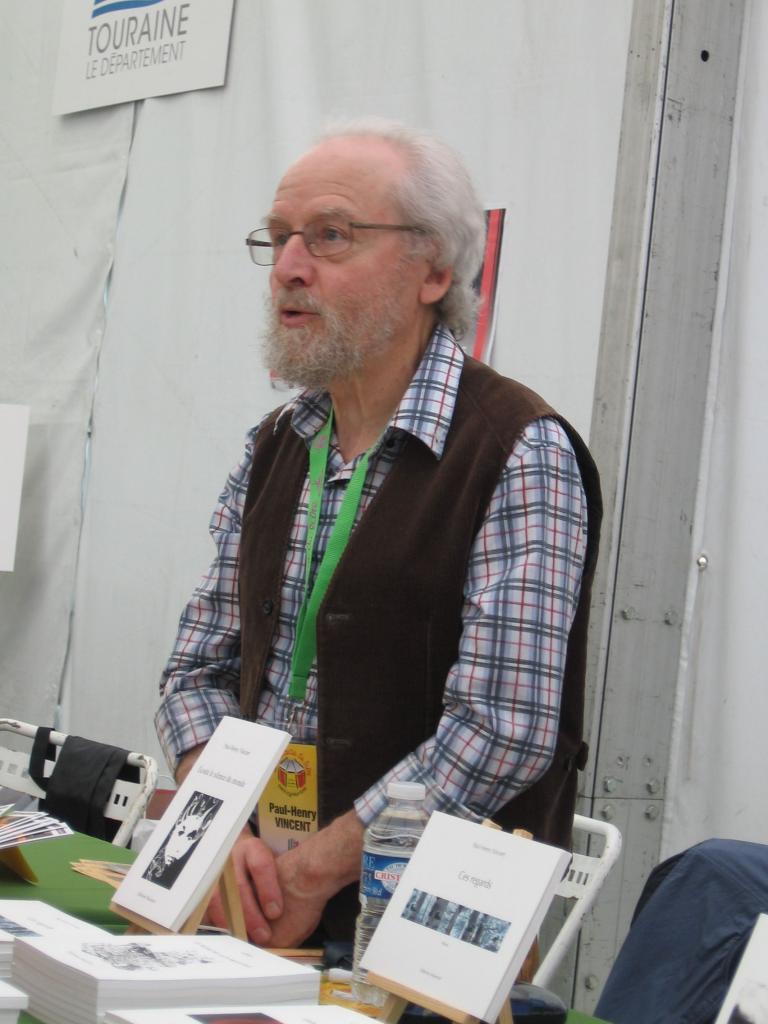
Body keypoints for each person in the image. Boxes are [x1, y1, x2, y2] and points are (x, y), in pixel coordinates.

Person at [155, 118, 602, 949]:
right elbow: (195, 673)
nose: (289, 267)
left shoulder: (516, 449)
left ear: (434, 269)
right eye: (279, 238)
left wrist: (314, 871)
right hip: (250, 898)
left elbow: (502, 728)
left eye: (330, 235)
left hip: (412, 942)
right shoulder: (275, 445)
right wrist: (225, 828)